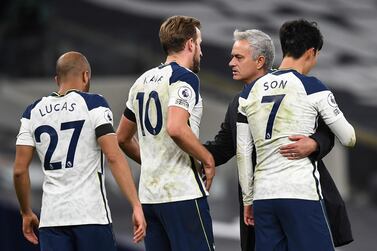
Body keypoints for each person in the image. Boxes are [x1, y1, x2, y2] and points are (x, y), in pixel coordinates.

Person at [205, 29, 353, 250]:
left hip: (272, 198)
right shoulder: (243, 100)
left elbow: (325, 133)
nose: (230, 63)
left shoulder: (250, 98)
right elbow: (225, 146)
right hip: (283, 197)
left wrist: (314, 143)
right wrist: (192, 153)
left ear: (260, 61)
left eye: (238, 57)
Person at [13, 51, 146, 251]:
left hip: (52, 220)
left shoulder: (32, 112)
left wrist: (26, 212)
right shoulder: (94, 104)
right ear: (86, 76)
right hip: (92, 216)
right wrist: (136, 204)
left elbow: (19, 170)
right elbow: (113, 156)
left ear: (57, 79)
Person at [116, 16, 215, 251]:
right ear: (190, 44)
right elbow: (176, 127)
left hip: (150, 197)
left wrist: (151, 160)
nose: (200, 51)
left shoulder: (141, 82)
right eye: (199, 44)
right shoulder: (185, 78)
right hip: (182, 194)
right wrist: (208, 159)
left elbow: (122, 137)